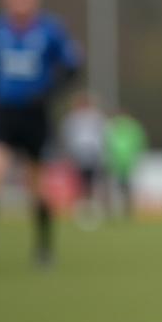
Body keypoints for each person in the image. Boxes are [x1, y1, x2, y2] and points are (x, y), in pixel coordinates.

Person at [0, 0, 81, 266]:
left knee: (37, 187)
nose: (20, 4)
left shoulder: (51, 30)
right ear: (5, 0)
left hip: (35, 115)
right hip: (4, 114)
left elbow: (73, 65)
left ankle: (43, 250)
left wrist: (51, 91)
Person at [61, 90, 108, 225]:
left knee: (93, 183)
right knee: (81, 183)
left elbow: (103, 135)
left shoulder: (96, 117)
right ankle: (83, 210)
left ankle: (95, 210)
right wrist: (69, 153)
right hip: (79, 154)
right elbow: (68, 136)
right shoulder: (72, 118)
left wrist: (102, 152)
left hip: (93, 153)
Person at [105, 109, 147, 218]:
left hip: (117, 161)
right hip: (127, 161)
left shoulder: (113, 126)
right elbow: (140, 142)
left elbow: (107, 144)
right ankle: (126, 211)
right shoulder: (133, 126)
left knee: (115, 187)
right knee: (125, 188)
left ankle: (113, 212)